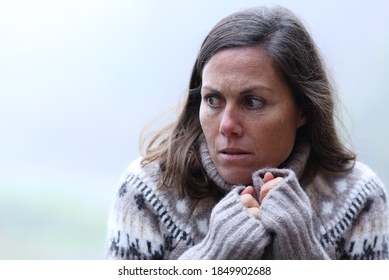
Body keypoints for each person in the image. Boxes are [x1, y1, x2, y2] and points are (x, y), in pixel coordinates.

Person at [104, 5, 389, 259]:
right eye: (213, 100)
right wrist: (213, 257)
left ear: (303, 109)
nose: (227, 125)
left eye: (252, 102)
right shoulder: (147, 192)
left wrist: (302, 254)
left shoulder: (359, 198)